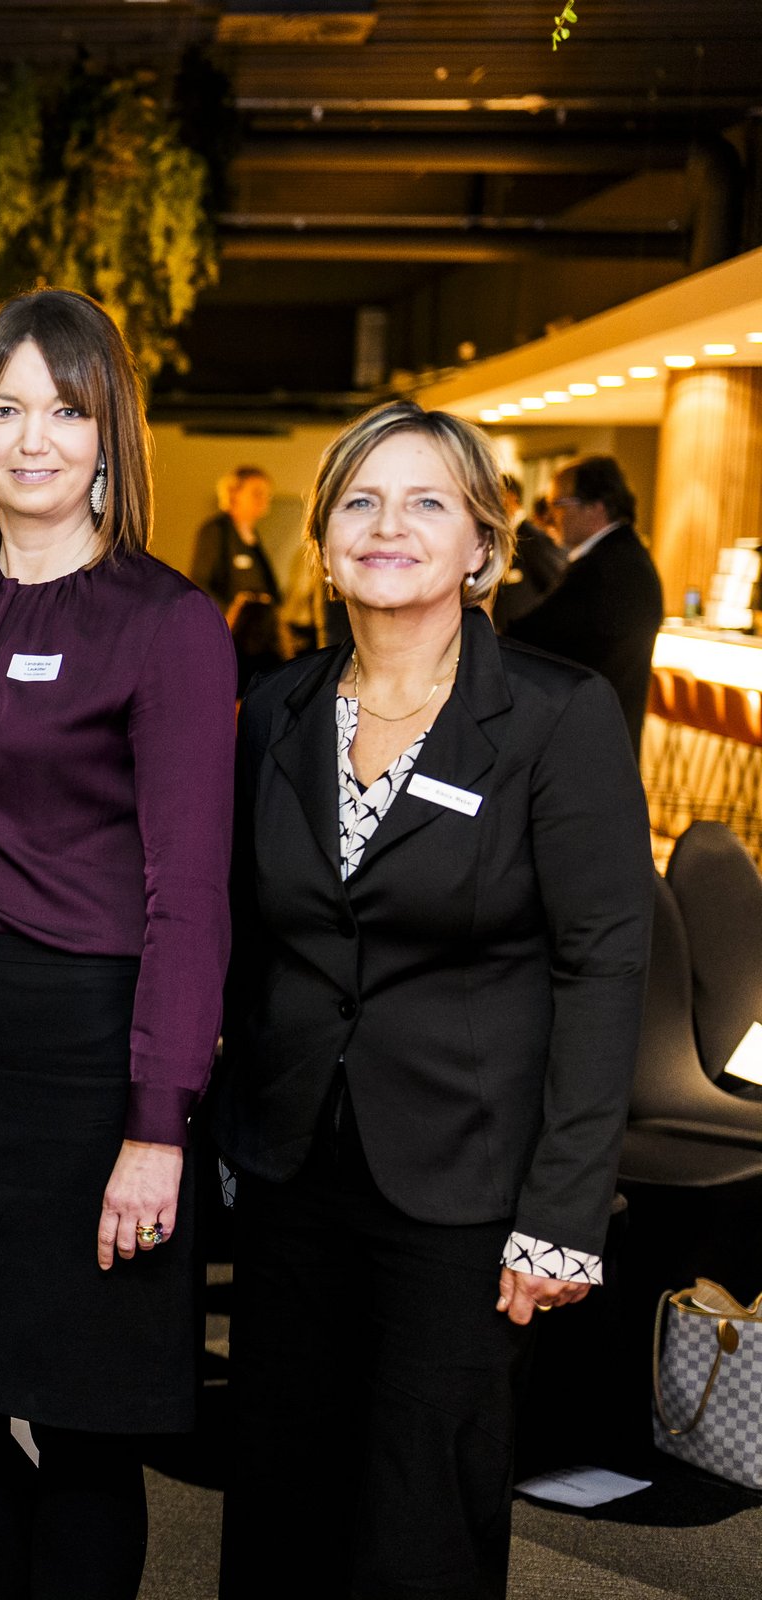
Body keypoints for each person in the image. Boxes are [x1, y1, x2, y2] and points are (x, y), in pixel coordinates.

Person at [215, 401, 651, 1600]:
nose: (387, 525)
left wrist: (566, 1210)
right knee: (280, 1499)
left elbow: (606, 965)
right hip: (292, 1171)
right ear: (323, 545)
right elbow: (253, 939)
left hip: (466, 1185)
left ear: (482, 547)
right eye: (359, 501)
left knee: (423, 1520)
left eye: (425, 502)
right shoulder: (279, 711)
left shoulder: (556, 716)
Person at [0, 288, 236, 1600]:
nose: (32, 439)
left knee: (84, 1429)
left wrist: (158, 1124)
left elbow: (191, 897)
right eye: (7, 410)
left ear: (109, 434)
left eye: (65, 412)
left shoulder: (169, 623)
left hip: (91, 1054)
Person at [505, 454, 665, 743]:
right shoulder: (624, 554)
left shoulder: (604, 566)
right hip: (608, 730)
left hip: (591, 736)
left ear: (596, 507)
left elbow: (531, 638)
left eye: (559, 504)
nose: (551, 515)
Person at [191, 465, 278, 613]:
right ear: (234, 494)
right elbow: (200, 583)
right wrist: (228, 614)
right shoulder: (216, 530)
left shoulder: (254, 537)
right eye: (257, 493)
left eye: (267, 494)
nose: (263, 500)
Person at [491, 471, 567, 631]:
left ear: (510, 498)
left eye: (491, 495)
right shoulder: (495, 537)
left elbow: (558, 587)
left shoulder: (533, 539)